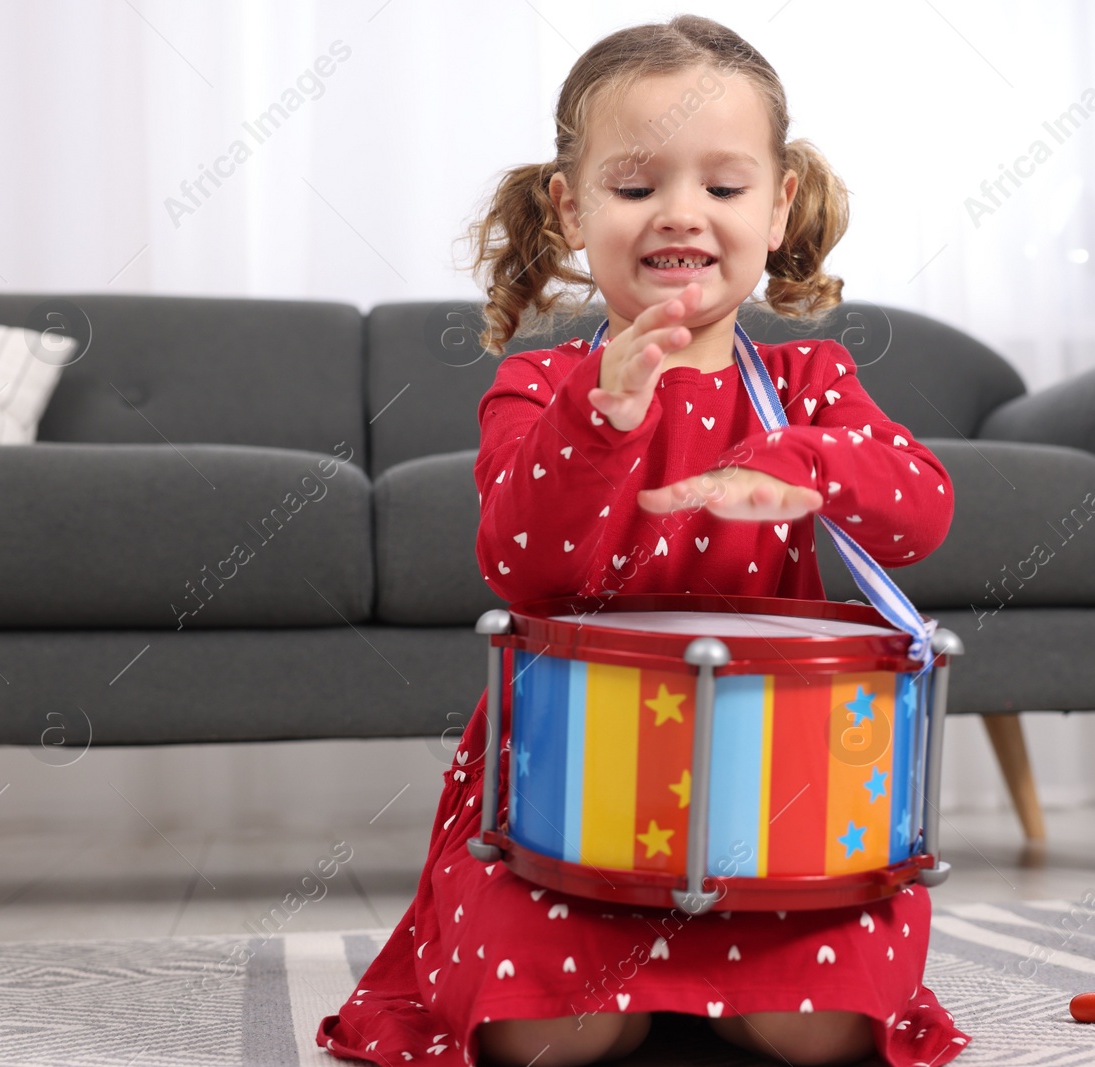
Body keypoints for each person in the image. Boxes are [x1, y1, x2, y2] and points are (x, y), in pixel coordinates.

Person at [319, 14, 965, 1066]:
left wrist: (804, 465)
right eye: (635, 187)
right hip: (572, 802)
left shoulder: (810, 386)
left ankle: (731, 981)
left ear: (779, 204)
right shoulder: (537, 386)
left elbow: (922, 510)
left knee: (827, 1039)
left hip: (779, 805)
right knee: (546, 1040)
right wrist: (600, 419)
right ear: (571, 210)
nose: (681, 214)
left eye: (722, 186)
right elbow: (522, 564)